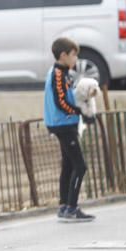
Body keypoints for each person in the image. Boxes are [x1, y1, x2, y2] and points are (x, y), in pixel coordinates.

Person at [43, 37, 95, 222]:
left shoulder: (63, 72)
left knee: (68, 164)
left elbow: (68, 96)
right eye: (74, 55)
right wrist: (80, 111)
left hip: (64, 123)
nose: (76, 59)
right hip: (62, 123)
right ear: (63, 55)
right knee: (80, 166)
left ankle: (64, 206)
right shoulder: (58, 73)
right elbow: (61, 101)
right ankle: (72, 208)